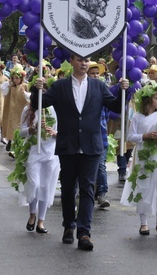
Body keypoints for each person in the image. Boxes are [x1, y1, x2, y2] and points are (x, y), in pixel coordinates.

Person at [31, 54, 129, 251]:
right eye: (80, 60)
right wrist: (37, 88)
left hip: (91, 146)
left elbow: (116, 106)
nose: (84, 63)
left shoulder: (99, 86)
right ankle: (69, 225)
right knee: (68, 189)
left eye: (87, 60)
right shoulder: (60, 87)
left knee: (87, 189)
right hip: (68, 144)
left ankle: (84, 232)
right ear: (72, 62)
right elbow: (38, 104)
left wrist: (124, 90)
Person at [120, 80, 157, 236]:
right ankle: (144, 223)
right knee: (144, 186)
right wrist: (145, 136)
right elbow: (130, 136)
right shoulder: (138, 117)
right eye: (155, 98)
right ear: (148, 100)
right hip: (143, 153)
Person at [18, 81, 60, 234]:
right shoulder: (27, 110)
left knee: (45, 186)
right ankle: (32, 214)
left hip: (50, 152)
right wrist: (32, 129)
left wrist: (53, 133)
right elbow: (21, 131)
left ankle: (41, 221)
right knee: (34, 184)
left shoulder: (53, 110)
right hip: (34, 151)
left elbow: (59, 131)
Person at [87, 62, 111, 208]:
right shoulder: (83, 90)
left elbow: (107, 113)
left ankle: (102, 193)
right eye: (92, 73)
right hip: (85, 135)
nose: (96, 76)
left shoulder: (104, 90)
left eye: (97, 73)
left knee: (101, 165)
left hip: (100, 135)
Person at [1, 65, 29, 155]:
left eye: (17, 78)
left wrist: (24, 93)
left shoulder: (24, 86)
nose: (15, 80)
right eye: (13, 78)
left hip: (21, 111)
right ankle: (12, 145)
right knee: (13, 127)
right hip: (12, 111)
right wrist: (9, 82)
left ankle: (17, 147)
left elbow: (28, 97)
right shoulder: (10, 86)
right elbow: (3, 89)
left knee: (19, 128)